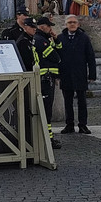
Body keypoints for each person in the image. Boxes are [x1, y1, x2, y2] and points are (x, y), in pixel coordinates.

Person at [57, 14, 96, 135]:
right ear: (66, 25)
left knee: (82, 101)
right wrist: (57, 74)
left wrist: (92, 74)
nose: (72, 24)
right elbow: (56, 57)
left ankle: (83, 125)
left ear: (78, 24)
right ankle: (69, 125)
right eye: (70, 22)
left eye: (74, 22)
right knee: (67, 102)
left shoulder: (84, 37)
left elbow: (90, 56)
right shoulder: (60, 38)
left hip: (80, 73)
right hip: (66, 74)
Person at [32, 16, 62, 149]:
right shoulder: (40, 40)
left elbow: (60, 48)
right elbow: (56, 57)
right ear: (42, 26)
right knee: (46, 110)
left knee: (46, 110)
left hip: (47, 78)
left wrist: (55, 38)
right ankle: (48, 138)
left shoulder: (43, 39)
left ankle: (48, 137)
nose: (51, 28)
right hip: (46, 79)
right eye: (49, 26)